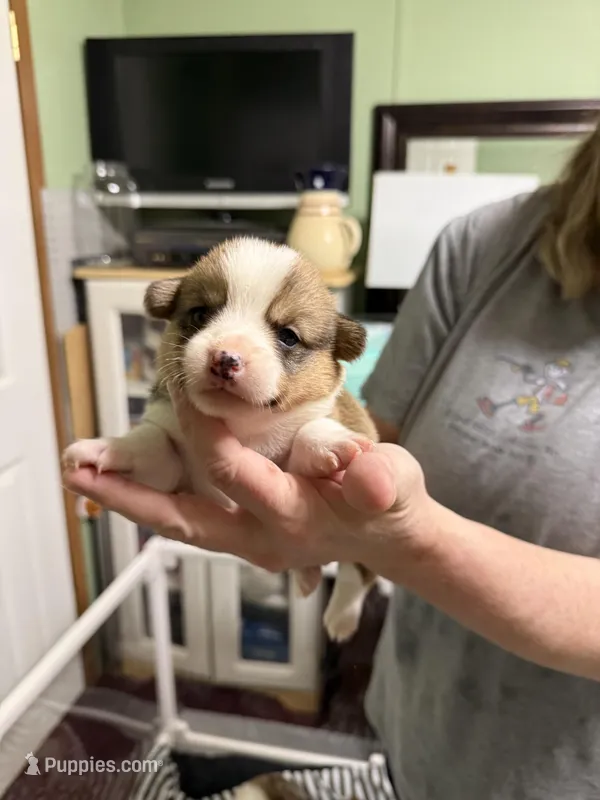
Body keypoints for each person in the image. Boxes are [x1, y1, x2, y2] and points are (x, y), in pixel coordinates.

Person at [65, 118, 600, 800]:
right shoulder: (485, 244)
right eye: (202, 318)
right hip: (411, 736)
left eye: (283, 334)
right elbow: (376, 439)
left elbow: (343, 436)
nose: (229, 349)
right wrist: (142, 449)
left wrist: (382, 542)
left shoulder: (322, 383)